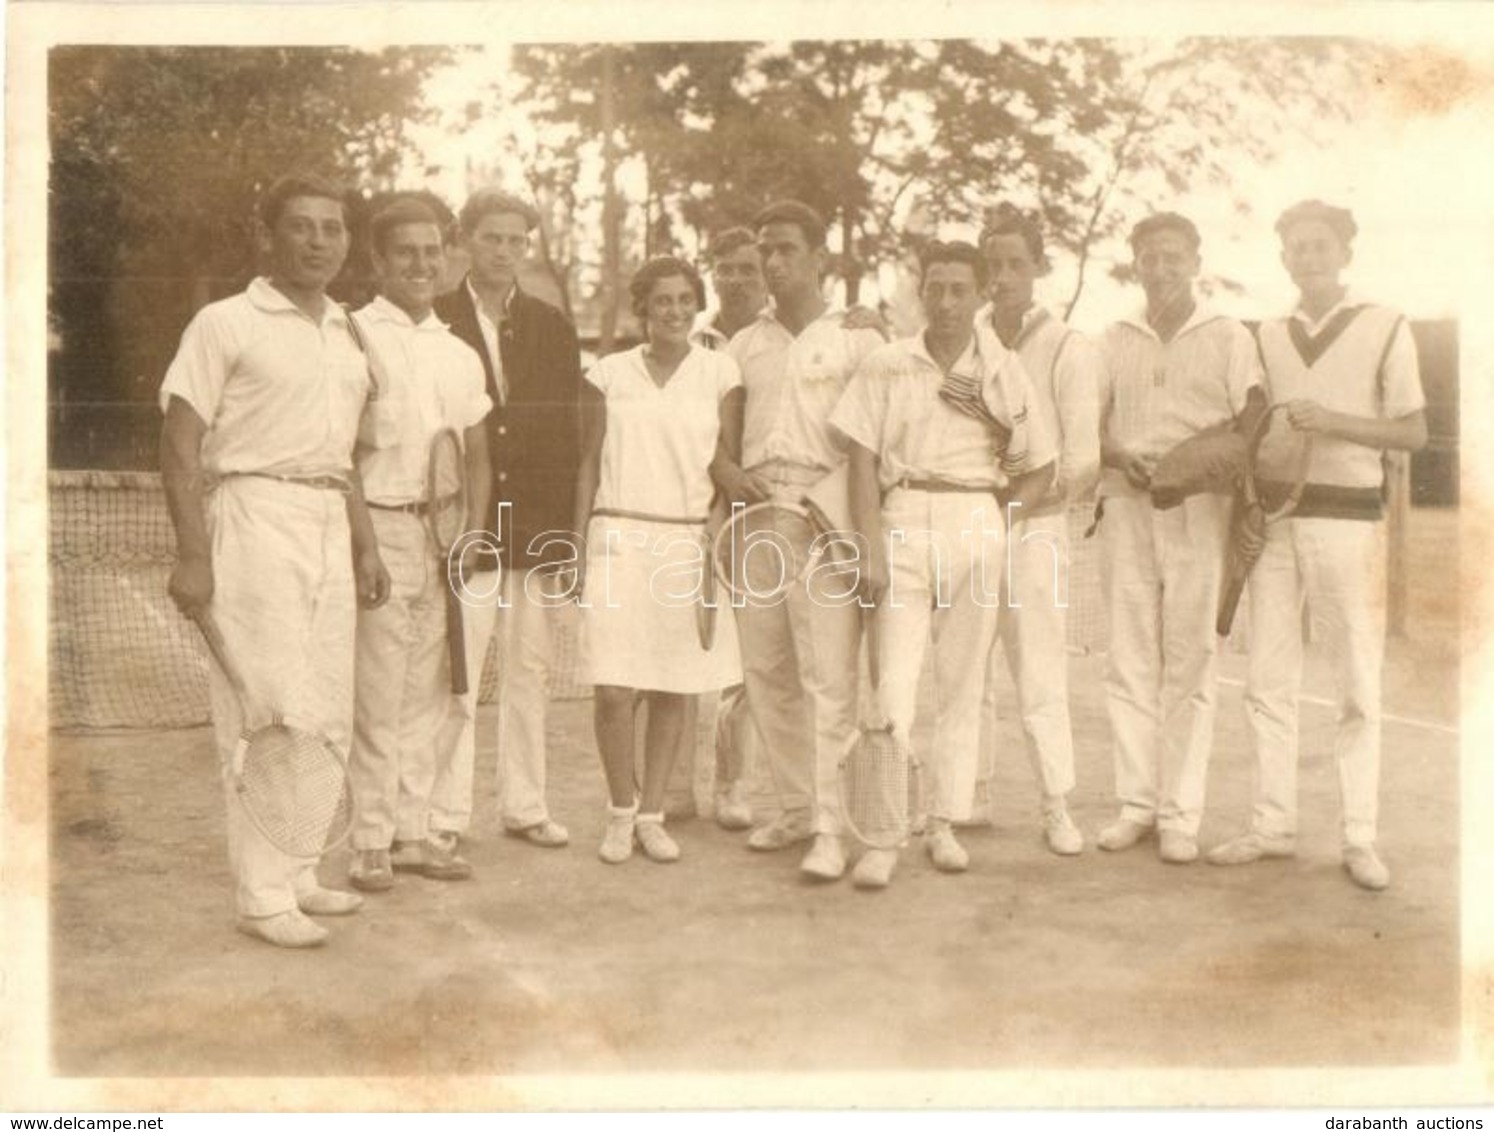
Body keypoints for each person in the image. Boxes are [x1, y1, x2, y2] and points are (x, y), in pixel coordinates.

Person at [160, 172, 390, 949]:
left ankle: (297, 872)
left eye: (332, 228)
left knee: (323, 708)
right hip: (255, 520)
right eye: (302, 226)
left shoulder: (349, 332)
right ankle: (260, 897)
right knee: (268, 709)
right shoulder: (224, 323)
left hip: (329, 518)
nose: (319, 240)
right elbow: (180, 443)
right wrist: (194, 554)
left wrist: (365, 544)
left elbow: (347, 458)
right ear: (268, 236)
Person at [1207, 201, 1426, 890]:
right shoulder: (1268, 332)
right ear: (1283, 259)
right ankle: (1272, 826)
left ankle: (1359, 836)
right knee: (1267, 680)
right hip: (1274, 522)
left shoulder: (1385, 324)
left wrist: (1332, 421)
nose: (1308, 256)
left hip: (1349, 522)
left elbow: (1414, 433)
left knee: (1356, 683)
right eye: (1296, 247)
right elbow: (1250, 426)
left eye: (1320, 244)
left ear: (1344, 252)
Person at [831, 239, 1055, 888]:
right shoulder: (887, 363)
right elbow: (862, 459)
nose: (948, 301)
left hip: (976, 519)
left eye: (961, 288)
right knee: (893, 685)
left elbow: (1040, 466)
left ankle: (945, 822)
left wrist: (997, 528)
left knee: (961, 687)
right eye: (936, 287)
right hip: (903, 518)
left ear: (982, 293)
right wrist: (869, 542)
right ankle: (882, 832)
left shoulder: (1003, 369)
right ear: (920, 292)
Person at [717, 200, 885, 883]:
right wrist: (729, 475)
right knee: (768, 674)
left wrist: (852, 526)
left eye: (788, 249)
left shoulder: (858, 338)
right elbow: (720, 440)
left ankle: (832, 826)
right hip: (758, 516)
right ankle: (794, 807)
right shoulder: (742, 346)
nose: (774, 262)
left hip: (825, 517)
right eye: (766, 250)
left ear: (819, 257)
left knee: (828, 677)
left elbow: (875, 443)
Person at [1094, 212, 1262, 866]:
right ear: (1135, 263)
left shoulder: (1225, 334)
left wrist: (1207, 465)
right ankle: (1136, 804)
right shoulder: (1113, 336)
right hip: (1129, 500)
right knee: (1130, 654)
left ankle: (1179, 814)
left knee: (1190, 656)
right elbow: (1092, 421)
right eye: (1149, 258)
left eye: (1173, 257)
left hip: (1200, 506)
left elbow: (1250, 416)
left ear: (1195, 261)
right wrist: (1118, 455)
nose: (1160, 269)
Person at [574, 256, 746, 863]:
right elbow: (589, 462)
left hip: (685, 541)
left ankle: (653, 816)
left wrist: (730, 521)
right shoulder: (607, 374)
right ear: (641, 309)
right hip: (618, 537)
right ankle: (621, 810)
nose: (673, 311)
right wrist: (576, 545)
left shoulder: (721, 372)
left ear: (696, 306)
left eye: (683, 299)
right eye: (661, 301)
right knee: (615, 689)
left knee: (675, 688)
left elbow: (723, 463)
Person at [345, 200, 492, 892]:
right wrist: (367, 545)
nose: (421, 264)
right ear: (378, 261)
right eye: (405, 252)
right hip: (379, 530)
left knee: (429, 695)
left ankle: (413, 832)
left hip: (444, 537)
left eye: (432, 251)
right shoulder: (351, 336)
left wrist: (471, 531)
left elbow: (477, 454)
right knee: (378, 692)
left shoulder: (460, 350)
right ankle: (370, 839)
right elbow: (343, 453)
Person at [431, 189, 582, 853]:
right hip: (466, 528)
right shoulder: (433, 322)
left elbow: (568, 436)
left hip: (535, 526)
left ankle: (525, 806)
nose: (505, 252)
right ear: (465, 241)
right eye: (492, 238)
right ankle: (444, 817)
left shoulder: (552, 325)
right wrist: (457, 519)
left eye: (517, 240)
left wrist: (565, 537)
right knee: (457, 678)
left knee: (529, 673)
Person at [972, 209, 1101, 855]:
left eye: (1015, 264)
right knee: (963, 667)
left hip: (1036, 530)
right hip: (967, 528)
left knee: (1039, 672)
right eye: (991, 265)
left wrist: (1016, 508)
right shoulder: (961, 339)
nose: (1002, 278)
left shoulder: (1069, 347)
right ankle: (967, 794)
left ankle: (1056, 805)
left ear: (1038, 268)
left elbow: (1083, 461)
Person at [685, 226, 771, 831]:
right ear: (711, 272)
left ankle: (735, 785)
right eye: (726, 266)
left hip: (767, 510)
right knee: (692, 645)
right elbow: (689, 425)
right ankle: (673, 786)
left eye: (748, 267)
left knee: (756, 657)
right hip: (699, 507)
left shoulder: (778, 336)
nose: (737, 277)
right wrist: (725, 473)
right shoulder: (692, 335)